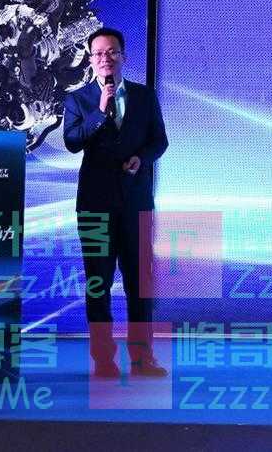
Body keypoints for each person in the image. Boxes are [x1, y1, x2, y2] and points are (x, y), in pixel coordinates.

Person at [63, 27, 168, 378]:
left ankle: (142, 358)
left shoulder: (144, 96)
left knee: (140, 284)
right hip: (95, 206)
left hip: (136, 204)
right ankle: (104, 360)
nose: (105, 59)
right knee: (98, 283)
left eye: (112, 52)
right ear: (90, 59)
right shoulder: (78, 100)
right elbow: (72, 142)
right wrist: (100, 111)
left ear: (123, 56)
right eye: (98, 53)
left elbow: (159, 141)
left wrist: (141, 158)